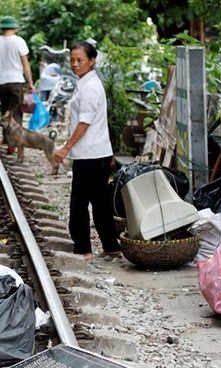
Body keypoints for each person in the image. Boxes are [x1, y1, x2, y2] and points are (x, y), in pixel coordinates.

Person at [52, 42, 122, 260]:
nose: (75, 64)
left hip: (89, 154)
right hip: (97, 152)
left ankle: (83, 249)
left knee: (79, 203)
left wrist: (66, 147)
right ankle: (111, 246)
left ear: (92, 61)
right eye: (72, 59)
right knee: (100, 203)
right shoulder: (86, 83)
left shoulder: (90, 87)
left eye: (80, 60)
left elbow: (84, 122)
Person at [0, 16, 34, 154]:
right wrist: (30, 82)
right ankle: (13, 144)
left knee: (4, 109)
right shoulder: (19, 41)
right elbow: (25, 63)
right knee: (15, 112)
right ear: (14, 27)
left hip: (1, 82)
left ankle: (6, 139)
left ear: (2, 28)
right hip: (16, 81)